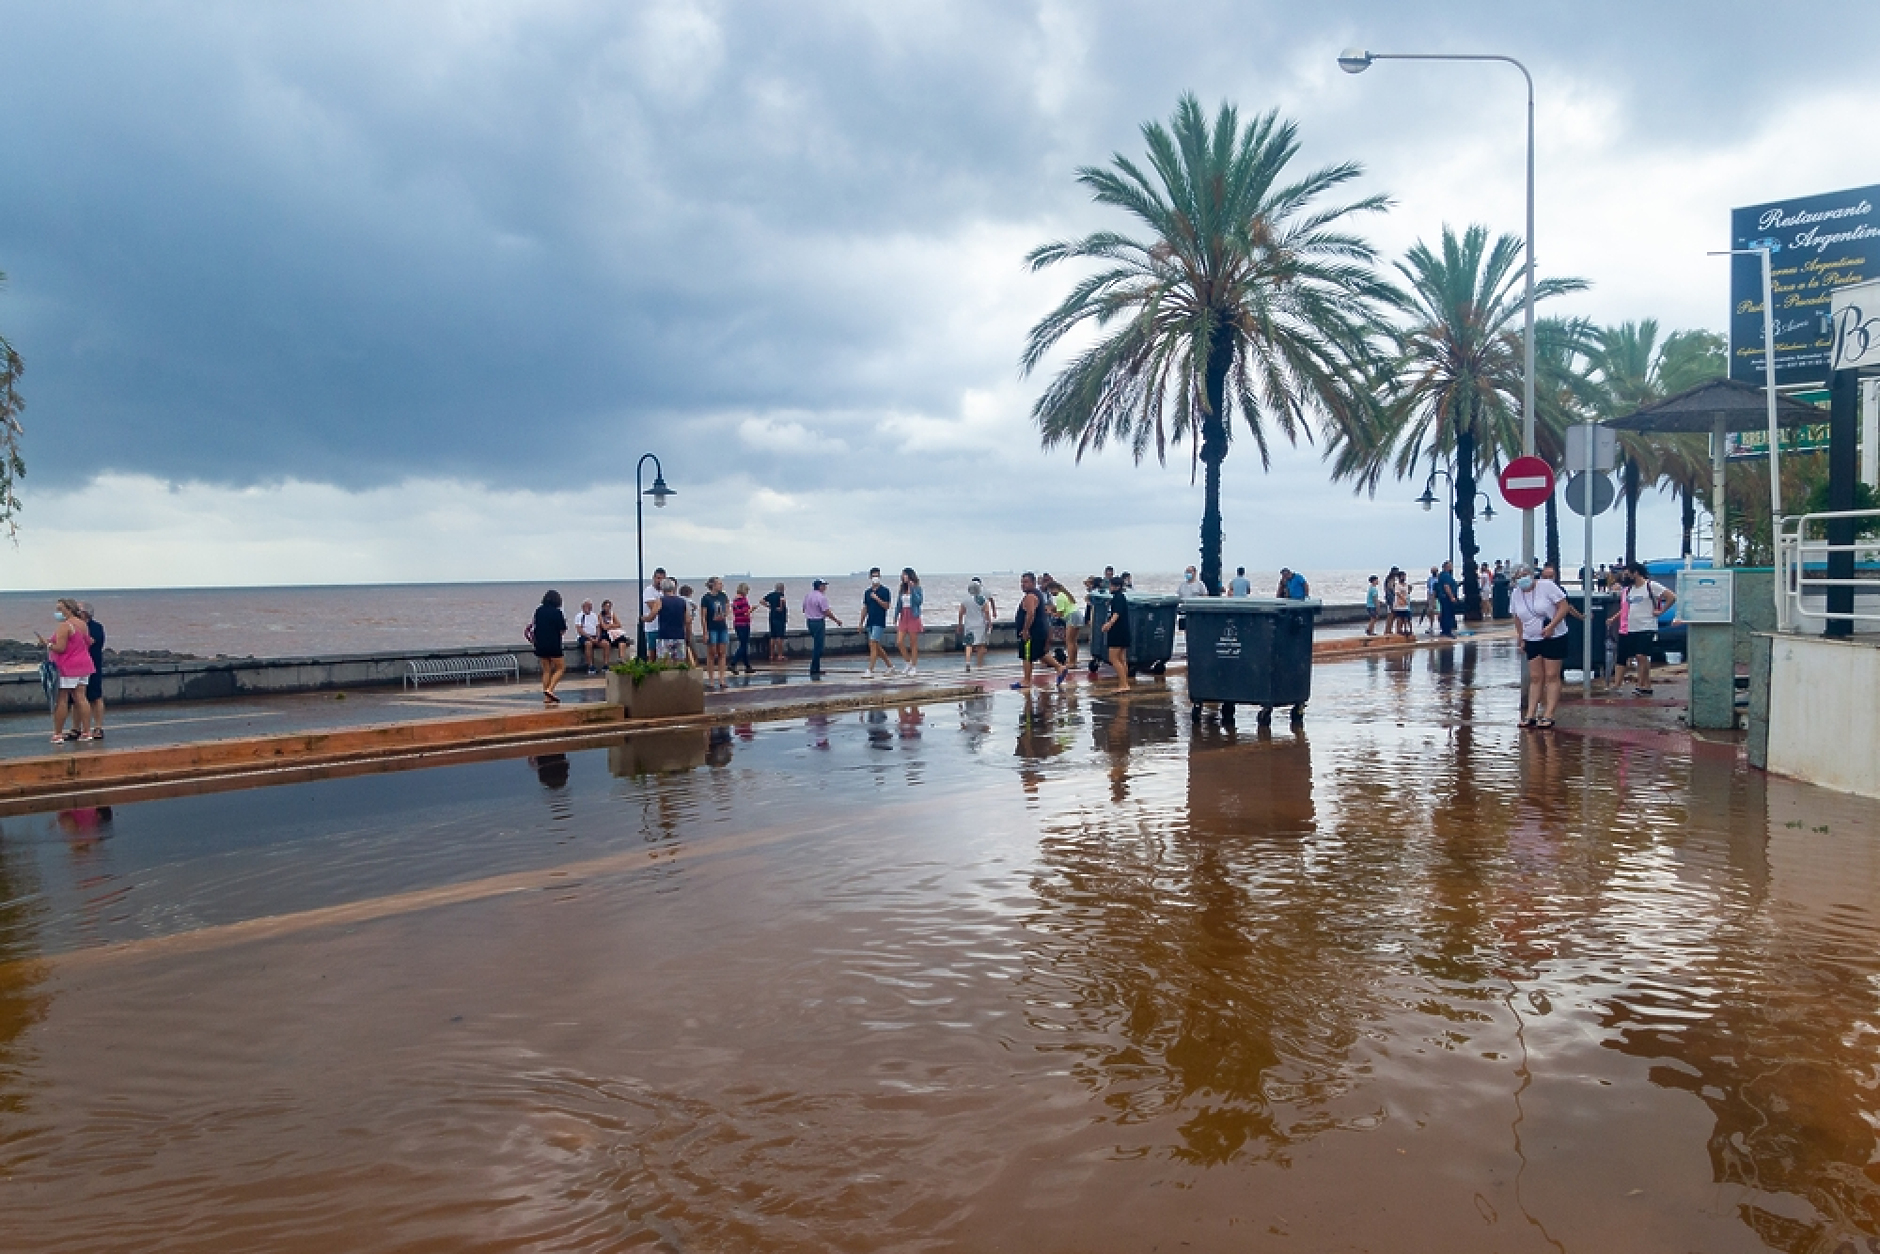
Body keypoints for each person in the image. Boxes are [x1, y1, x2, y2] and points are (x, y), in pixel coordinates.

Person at [1510, 563, 1569, 728]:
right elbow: (1517, 617)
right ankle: (1530, 713)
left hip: (1554, 636)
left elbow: (1564, 606)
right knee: (1535, 677)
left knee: (1551, 675)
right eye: (1518, 577)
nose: (1522, 579)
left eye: (1525, 575)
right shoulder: (1516, 594)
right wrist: (1521, 638)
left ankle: (1549, 713)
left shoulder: (1547, 586)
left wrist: (1551, 626)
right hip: (1531, 638)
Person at [37, 598, 96, 743]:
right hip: (84, 664)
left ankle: (57, 734)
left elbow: (60, 648)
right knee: (81, 698)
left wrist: (47, 644)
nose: (58, 612)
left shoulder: (65, 626)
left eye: (60, 609)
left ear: (69, 610)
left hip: (67, 666)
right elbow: (88, 642)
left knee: (62, 699)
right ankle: (87, 731)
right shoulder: (83, 624)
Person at [1617, 561, 1676, 695]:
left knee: (1641, 655)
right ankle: (1647, 685)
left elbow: (1671, 597)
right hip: (1632, 627)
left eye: (1628, 574)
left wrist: (1661, 612)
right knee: (1638, 657)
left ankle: (1640, 684)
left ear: (1635, 573)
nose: (1626, 577)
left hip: (1647, 626)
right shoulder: (1630, 589)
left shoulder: (1651, 586)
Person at [1012, 571, 1066, 689]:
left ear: (1033, 583)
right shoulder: (1037, 594)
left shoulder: (1031, 596)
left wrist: (1025, 630)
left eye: (1026, 582)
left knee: (1027, 656)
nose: (1023, 585)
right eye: (1022, 582)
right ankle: (1060, 668)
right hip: (1040, 630)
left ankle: (1026, 680)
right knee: (1040, 654)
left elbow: (1030, 614)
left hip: (1033, 632)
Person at [531, 589, 568, 706]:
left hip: (540, 644)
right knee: (561, 668)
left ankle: (547, 698)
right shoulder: (557, 612)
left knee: (546, 670)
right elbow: (562, 629)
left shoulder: (539, 611)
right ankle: (550, 689)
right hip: (553, 644)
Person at [647, 579, 692, 665]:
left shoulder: (660, 601)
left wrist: (644, 618)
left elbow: (651, 617)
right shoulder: (682, 602)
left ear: (662, 589)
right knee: (679, 664)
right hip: (679, 636)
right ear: (674, 588)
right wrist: (688, 637)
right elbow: (688, 621)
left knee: (664, 663)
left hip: (664, 636)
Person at [802, 579, 840, 678]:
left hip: (809, 621)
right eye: (824, 585)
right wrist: (836, 620)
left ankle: (816, 667)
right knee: (819, 646)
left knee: (817, 645)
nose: (825, 587)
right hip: (818, 622)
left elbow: (803, 609)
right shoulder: (821, 598)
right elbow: (826, 612)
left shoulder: (808, 596)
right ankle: (814, 669)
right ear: (820, 587)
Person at [699, 577, 731, 689]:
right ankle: (711, 679)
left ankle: (722, 679)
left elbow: (728, 606)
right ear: (713, 585)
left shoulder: (723, 596)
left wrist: (726, 613)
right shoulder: (706, 598)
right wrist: (705, 631)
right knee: (711, 653)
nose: (721, 585)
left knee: (722, 652)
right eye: (719, 583)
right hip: (711, 627)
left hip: (722, 626)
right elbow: (703, 616)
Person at [1100, 576, 1131, 690]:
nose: (1109, 587)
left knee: (1114, 658)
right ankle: (1124, 683)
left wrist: (1109, 624)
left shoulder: (1118, 598)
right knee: (1122, 659)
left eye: (1111, 585)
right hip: (1123, 631)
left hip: (1117, 632)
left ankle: (1123, 684)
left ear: (1117, 586)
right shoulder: (1120, 597)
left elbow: (1116, 614)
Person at [80, 602, 106, 737]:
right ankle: (76, 727)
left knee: (95, 696)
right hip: (78, 666)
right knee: (77, 697)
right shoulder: (75, 626)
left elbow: (91, 642)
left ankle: (98, 727)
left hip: (93, 665)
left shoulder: (96, 627)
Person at [862, 567, 893, 677]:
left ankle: (870, 670)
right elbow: (865, 608)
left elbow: (887, 606)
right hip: (870, 621)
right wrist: (861, 623)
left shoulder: (885, 591)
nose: (875, 578)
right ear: (870, 577)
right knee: (875, 646)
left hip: (879, 621)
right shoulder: (867, 592)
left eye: (877, 576)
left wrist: (877, 599)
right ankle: (889, 665)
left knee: (874, 644)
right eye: (874, 576)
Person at [958, 578, 993, 672]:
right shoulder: (983, 600)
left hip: (969, 624)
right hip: (980, 625)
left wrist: (960, 624)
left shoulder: (965, 600)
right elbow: (986, 613)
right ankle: (979, 664)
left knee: (968, 644)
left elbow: (961, 613)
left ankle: (968, 662)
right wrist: (989, 623)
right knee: (980, 645)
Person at [894, 568, 924, 676]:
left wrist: (913, 589)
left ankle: (914, 666)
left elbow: (918, 602)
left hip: (913, 615)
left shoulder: (917, 588)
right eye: (902, 575)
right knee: (899, 641)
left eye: (905, 575)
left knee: (913, 643)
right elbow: (899, 603)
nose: (903, 577)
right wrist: (895, 615)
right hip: (903, 615)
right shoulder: (902, 589)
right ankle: (908, 662)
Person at [1051, 578, 1078, 668]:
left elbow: (1060, 614)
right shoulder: (1064, 594)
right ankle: (1073, 660)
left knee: (1069, 641)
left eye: (1050, 590)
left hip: (1071, 616)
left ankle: (1071, 662)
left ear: (1054, 589)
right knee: (1073, 641)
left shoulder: (1059, 597)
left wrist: (1050, 613)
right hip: (1077, 615)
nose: (1051, 593)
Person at [641, 567, 668, 659]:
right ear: (654, 578)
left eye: (662, 578)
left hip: (663, 626)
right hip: (652, 627)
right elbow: (653, 606)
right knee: (652, 651)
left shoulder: (665, 592)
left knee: (663, 653)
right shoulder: (649, 591)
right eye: (658, 578)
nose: (659, 581)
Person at [730, 582, 755, 675]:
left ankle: (747, 665)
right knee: (743, 645)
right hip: (744, 624)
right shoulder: (743, 600)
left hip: (737, 623)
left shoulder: (735, 600)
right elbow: (745, 613)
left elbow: (737, 612)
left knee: (743, 644)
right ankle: (733, 663)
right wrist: (752, 609)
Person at [574, 599, 603, 674]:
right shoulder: (579, 616)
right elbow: (579, 630)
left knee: (606, 644)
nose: (590, 608)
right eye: (588, 607)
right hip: (584, 636)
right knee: (588, 644)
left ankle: (605, 665)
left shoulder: (594, 616)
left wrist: (598, 637)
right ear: (583, 607)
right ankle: (590, 666)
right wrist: (589, 638)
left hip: (594, 636)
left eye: (591, 607)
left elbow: (598, 627)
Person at [762, 582, 788, 663]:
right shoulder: (781, 596)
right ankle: (780, 655)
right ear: (782, 588)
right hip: (780, 618)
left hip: (772, 617)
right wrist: (780, 608)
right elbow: (782, 606)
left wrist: (769, 606)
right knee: (780, 637)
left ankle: (771, 655)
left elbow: (761, 601)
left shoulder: (771, 595)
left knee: (772, 637)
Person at [598, 599, 629, 666]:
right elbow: (604, 627)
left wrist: (610, 625)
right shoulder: (600, 615)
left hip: (614, 633)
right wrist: (612, 625)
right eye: (606, 606)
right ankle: (606, 664)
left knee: (622, 641)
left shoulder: (612, 614)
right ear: (603, 607)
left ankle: (621, 658)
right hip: (605, 634)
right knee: (607, 644)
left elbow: (619, 624)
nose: (608, 608)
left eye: (609, 607)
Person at [1435, 560, 1459, 638]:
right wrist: (1451, 597)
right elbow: (1446, 586)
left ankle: (1444, 630)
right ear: (1447, 567)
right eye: (1450, 566)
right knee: (1448, 614)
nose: (1451, 567)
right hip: (1446, 598)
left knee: (1444, 613)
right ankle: (1447, 631)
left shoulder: (1441, 575)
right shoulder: (1446, 575)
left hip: (1442, 597)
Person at [1391, 571, 1413, 636]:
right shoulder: (1397, 585)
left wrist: (1406, 600)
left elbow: (1407, 593)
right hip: (1399, 604)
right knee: (1399, 618)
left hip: (1405, 604)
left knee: (1406, 617)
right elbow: (1397, 594)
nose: (1404, 578)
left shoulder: (1406, 585)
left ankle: (1406, 629)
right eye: (1402, 576)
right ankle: (1399, 630)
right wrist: (1403, 599)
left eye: (1405, 576)